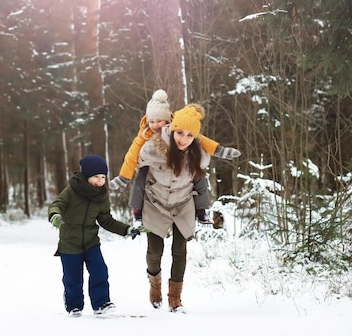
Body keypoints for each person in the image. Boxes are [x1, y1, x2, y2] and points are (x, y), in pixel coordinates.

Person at [109, 89, 240, 225]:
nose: (155, 125)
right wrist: (123, 177)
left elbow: (200, 138)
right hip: (155, 166)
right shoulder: (145, 134)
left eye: (159, 121)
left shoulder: (177, 129)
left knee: (198, 174)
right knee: (141, 177)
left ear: (167, 119)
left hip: (178, 163)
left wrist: (219, 150)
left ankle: (201, 210)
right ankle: (137, 213)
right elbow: (131, 155)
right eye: (151, 121)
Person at [48, 155, 145, 317]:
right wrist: (55, 216)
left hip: (91, 241)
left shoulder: (101, 196)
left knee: (100, 270)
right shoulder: (71, 191)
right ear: (86, 176)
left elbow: (106, 220)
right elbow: (57, 204)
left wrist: (127, 230)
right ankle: (74, 306)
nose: (100, 181)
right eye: (96, 177)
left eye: (103, 177)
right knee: (73, 278)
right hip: (70, 242)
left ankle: (101, 303)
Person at [137, 104, 211, 312]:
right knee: (154, 252)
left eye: (189, 135)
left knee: (180, 251)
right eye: (180, 132)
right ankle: (155, 284)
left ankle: (175, 299)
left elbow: (200, 183)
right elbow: (139, 177)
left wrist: (202, 209)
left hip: (182, 204)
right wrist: (136, 209)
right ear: (172, 128)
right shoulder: (154, 148)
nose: (183, 139)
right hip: (155, 203)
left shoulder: (195, 154)